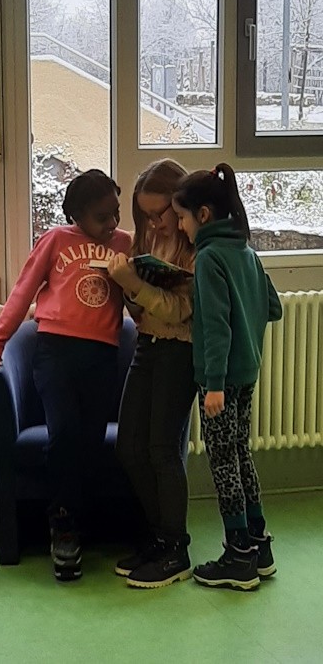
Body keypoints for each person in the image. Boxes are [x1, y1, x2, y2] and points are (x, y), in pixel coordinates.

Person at [0, 169, 132, 581]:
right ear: (76, 215)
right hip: (55, 352)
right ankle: (62, 521)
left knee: (91, 439)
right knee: (63, 431)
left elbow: (138, 298)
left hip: (103, 356)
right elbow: (23, 292)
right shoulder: (56, 240)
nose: (112, 223)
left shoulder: (124, 244)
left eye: (116, 213)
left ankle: (80, 518)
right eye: (102, 217)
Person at [173, 163, 282, 590]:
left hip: (219, 381)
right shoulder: (247, 253)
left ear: (203, 215)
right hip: (247, 372)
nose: (180, 227)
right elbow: (273, 307)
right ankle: (259, 544)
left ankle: (238, 556)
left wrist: (214, 383)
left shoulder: (209, 257)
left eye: (182, 217)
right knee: (241, 453)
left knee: (222, 462)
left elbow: (216, 326)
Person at [107, 159, 196, 589]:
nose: (155, 223)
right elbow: (143, 312)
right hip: (148, 343)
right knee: (129, 445)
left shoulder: (195, 245)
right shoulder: (149, 239)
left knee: (163, 448)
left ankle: (175, 547)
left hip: (181, 349)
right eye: (145, 215)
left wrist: (137, 286)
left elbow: (182, 312)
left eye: (160, 213)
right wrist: (128, 288)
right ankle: (159, 538)